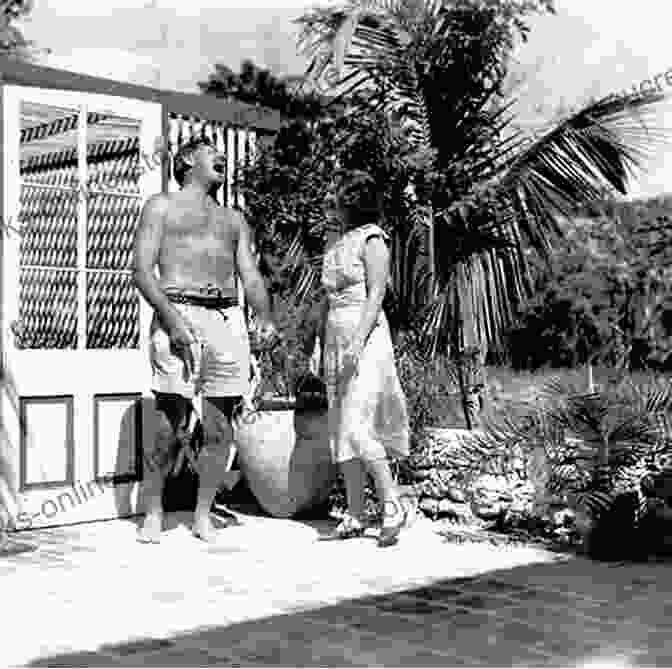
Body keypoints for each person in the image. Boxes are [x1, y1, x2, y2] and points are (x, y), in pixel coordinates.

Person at [132, 136, 277, 543]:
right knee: (168, 420)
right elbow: (142, 271)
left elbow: (249, 275)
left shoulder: (233, 220)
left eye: (222, 154)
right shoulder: (160, 206)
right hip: (178, 308)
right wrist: (172, 320)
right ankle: (154, 510)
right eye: (211, 151)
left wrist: (263, 315)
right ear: (185, 161)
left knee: (220, 426)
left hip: (226, 318)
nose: (221, 157)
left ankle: (202, 513)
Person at [319, 170, 410, 547]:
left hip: (366, 337)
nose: (332, 201)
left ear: (351, 200)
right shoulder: (336, 243)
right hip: (336, 336)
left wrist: (357, 341)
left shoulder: (373, 240)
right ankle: (356, 512)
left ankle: (392, 503)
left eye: (337, 195)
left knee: (358, 424)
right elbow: (328, 302)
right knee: (340, 427)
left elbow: (376, 296)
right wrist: (319, 346)